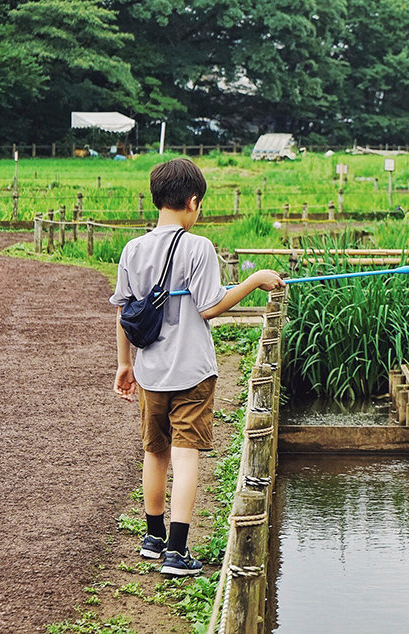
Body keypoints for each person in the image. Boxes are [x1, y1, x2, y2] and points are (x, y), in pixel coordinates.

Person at [110, 158, 283, 575]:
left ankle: (153, 539)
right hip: (191, 372)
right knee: (186, 457)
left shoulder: (133, 249)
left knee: (155, 451)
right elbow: (209, 307)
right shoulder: (198, 247)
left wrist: (123, 364)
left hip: (150, 371)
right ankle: (178, 551)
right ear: (192, 202)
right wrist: (255, 279)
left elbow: (124, 312)